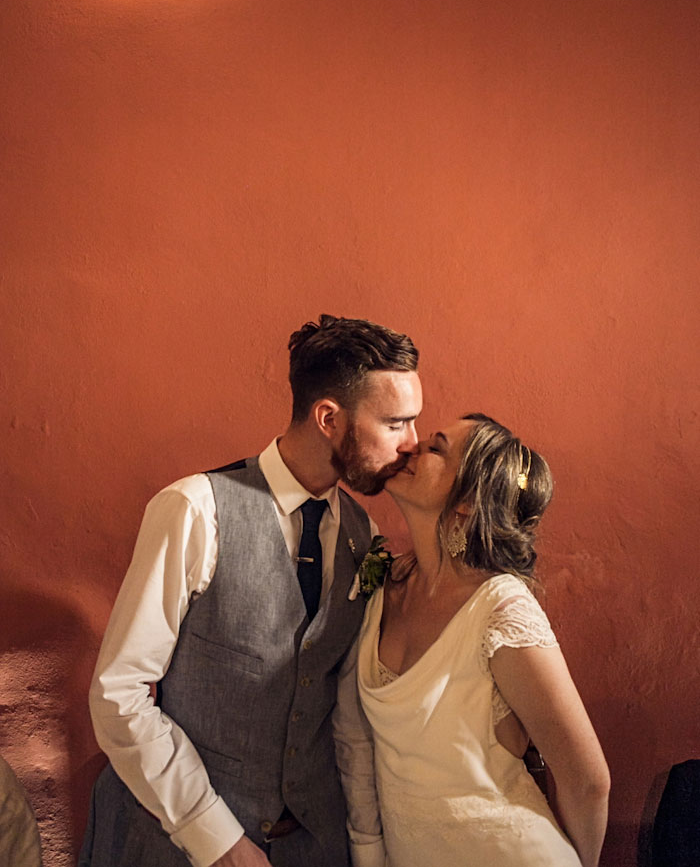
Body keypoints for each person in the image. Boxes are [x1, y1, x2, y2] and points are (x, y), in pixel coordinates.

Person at [79, 315, 422, 867]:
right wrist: (216, 838)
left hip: (310, 846)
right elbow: (118, 695)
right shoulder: (194, 510)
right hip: (171, 845)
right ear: (329, 418)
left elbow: (346, 713)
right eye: (395, 423)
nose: (411, 443)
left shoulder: (365, 537)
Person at [334, 413, 610, 867]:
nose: (412, 446)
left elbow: (589, 781)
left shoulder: (501, 609)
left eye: (437, 449)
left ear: (465, 504)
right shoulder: (386, 583)